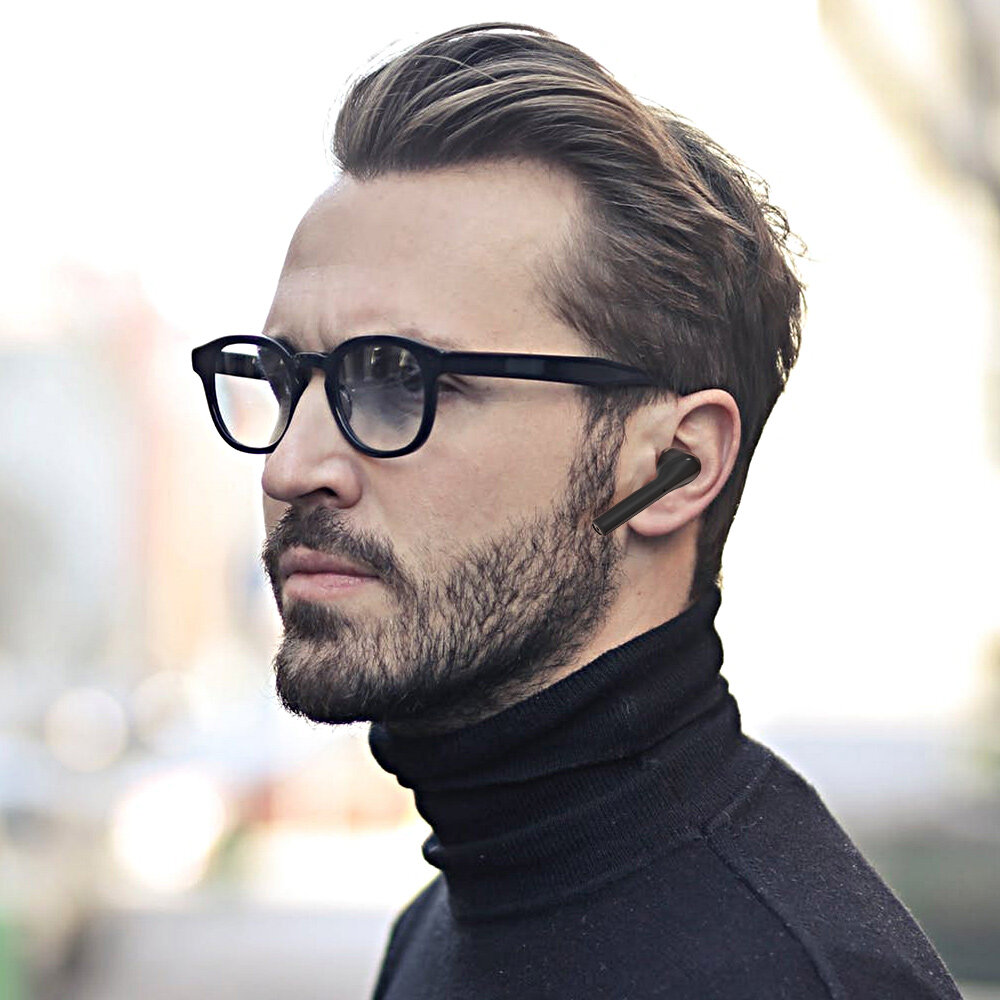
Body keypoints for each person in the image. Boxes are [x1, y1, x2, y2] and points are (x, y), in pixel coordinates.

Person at [191, 20, 964, 999]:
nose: (290, 466)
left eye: (398, 379)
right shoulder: (446, 917)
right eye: (283, 378)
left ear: (674, 465)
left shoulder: (788, 977)